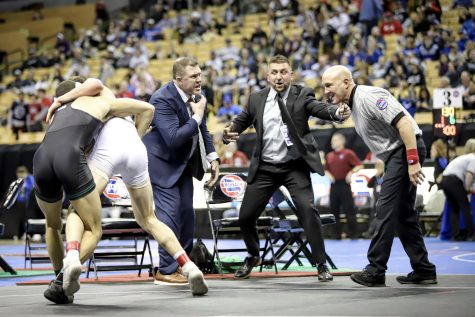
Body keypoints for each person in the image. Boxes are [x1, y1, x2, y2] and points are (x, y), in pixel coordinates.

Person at [41, 78, 209, 304]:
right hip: (134, 146)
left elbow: (92, 89)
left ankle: (71, 259)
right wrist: (134, 141)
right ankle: (188, 267)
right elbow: (148, 109)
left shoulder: (86, 101)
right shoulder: (111, 100)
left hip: (107, 149)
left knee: (77, 211)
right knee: (149, 218)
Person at [223, 55, 350, 281]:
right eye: (274, 72)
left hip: (294, 167)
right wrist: (228, 131)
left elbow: (319, 108)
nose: (279, 76)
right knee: (245, 216)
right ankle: (253, 255)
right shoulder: (256, 99)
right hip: (265, 167)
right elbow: (241, 121)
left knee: (307, 210)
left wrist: (337, 113)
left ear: (291, 74)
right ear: (267, 75)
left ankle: (321, 264)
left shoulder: (302, 94)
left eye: (283, 72)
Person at [321, 65, 437, 287]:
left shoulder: (370, 96)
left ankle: (375, 270)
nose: (326, 90)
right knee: (404, 215)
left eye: (329, 85)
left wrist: (412, 161)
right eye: (324, 86)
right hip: (395, 154)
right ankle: (424, 269)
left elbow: (404, 123)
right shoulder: (353, 104)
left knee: (385, 209)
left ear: (346, 82)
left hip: (404, 150)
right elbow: (382, 138)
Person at [142, 57, 220, 285]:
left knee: (187, 214)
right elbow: (175, 139)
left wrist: (212, 157)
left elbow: (202, 128)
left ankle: (183, 265)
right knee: (170, 215)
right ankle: (166, 270)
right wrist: (196, 116)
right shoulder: (161, 99)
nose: (199, 79)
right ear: (178, 79)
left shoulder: (197, 97)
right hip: (161, 164)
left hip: (184, 164)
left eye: (200, 74)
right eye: (194, 76)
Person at [325, 133, 363, 239]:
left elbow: (359, 165)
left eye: (335, 140)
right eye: (332, 140)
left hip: (344, 185)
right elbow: (326, 169)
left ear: (342, 142)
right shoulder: (329, 155)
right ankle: (335, 234)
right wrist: (329, 175)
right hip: (334, 185)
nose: (332, 142)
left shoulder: (348, 153)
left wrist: (351, 172)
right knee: (334, 211)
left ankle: (353, 234)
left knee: (349, 210)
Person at [440, 138, 475, 241]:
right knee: (465, 206)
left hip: (445, 180)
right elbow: (469, 175)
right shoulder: (473, 158)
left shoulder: (464, 157)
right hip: (454, 180)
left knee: (454, 208)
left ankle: (455, 235)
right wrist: (466, 189)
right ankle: (472, 234)